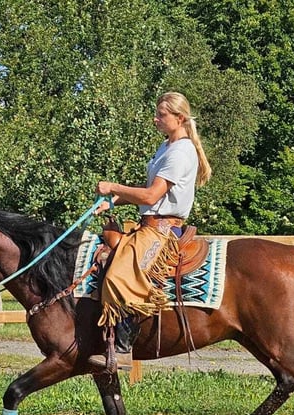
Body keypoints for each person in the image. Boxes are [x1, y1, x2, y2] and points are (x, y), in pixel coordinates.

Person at [88, 91, 212, 371]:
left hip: (162, 231)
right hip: (149, 225)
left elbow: (151, 196)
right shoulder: (166, 147)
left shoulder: (181, 151)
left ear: (179, 118)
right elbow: (146, 194)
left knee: (121, 275)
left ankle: (122, 350)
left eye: (161, 115)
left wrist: (114, 188)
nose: (155, 119)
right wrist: (114, 201)